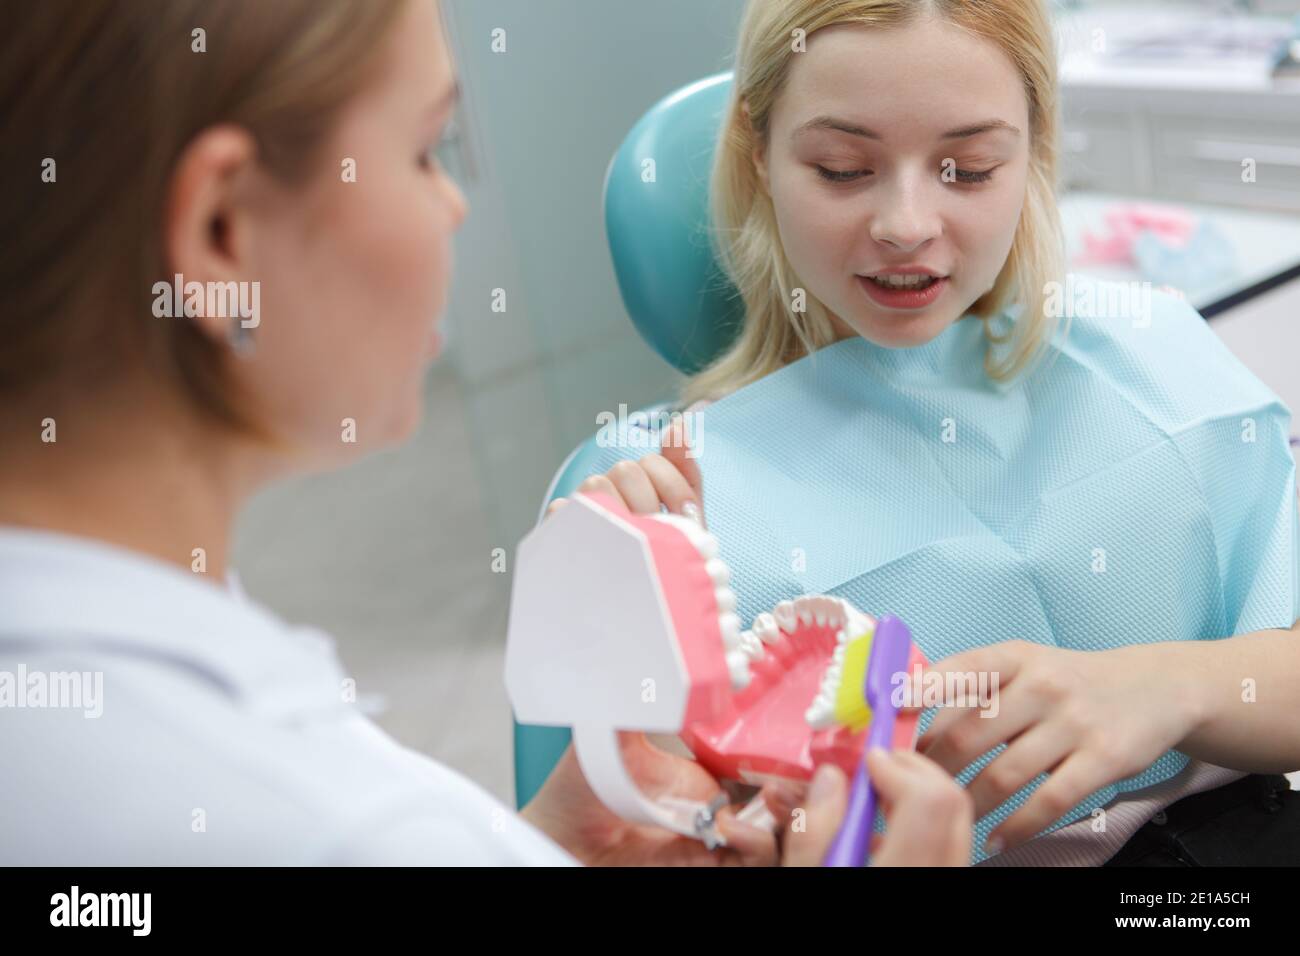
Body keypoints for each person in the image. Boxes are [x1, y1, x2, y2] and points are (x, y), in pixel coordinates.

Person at [0, 0, 973, 867]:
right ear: (222, 233)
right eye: (428, 150)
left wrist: (538, 843)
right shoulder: (319, 821)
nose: (455, 204)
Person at [561, 0, 1300, 866]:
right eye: (842, 168)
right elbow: (640, 829)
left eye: (970, 167)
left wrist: (1172, 686)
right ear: (756, 155)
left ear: (1034, 154)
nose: (906, 225)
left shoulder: (1156, 357)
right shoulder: (653, 491)